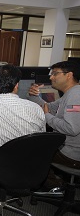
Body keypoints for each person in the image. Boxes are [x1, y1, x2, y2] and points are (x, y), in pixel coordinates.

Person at [28, 60, 80, 189]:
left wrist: (47, 117)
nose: (51, 77)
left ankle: (55, 186)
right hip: (69, 148)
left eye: (55, 74)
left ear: (69, 75)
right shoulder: (71, 93)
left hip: (72, 155)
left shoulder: (76, 96)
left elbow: (72, 129)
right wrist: (34, 95)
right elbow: (49, 107)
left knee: (31, 150)